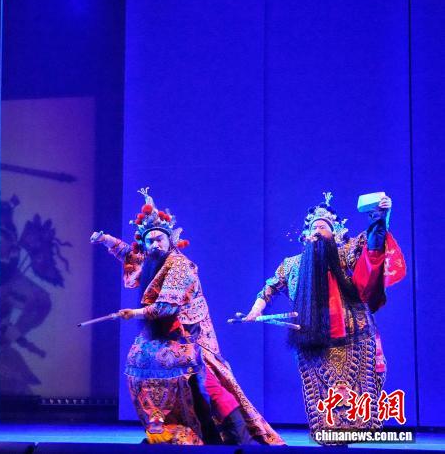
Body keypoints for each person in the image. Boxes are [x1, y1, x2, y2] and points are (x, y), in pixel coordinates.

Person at [91, 188, 284, 446]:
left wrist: (133, 313)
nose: (155, 244)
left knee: (210, 384)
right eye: (150, 241)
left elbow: (166, 307)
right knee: (142, 363)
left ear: (170, 241)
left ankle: (242, 439)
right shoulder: (151, 259)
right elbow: (129, 255)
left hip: (192, 336)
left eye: (160, 239)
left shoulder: (181, 265)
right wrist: (105, 239)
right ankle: (175, 431)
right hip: (165, 335)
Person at [244, 192, 406, 444]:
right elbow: (270, 287)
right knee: (326, 415)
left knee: (356, 411)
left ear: (335, 233)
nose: (318, 231)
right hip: (314, 343)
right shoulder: (292, 264)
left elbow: (374, 249)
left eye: (323, 227)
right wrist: (256, 310)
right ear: (306, 236)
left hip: (355, 339)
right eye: (314, 228)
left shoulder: (346, 253)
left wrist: (380, 218)